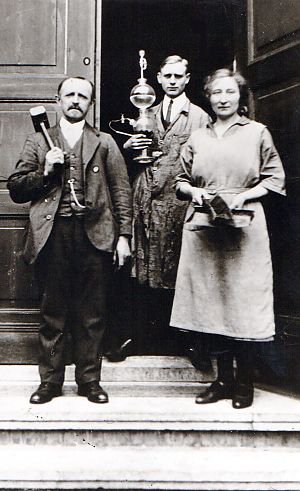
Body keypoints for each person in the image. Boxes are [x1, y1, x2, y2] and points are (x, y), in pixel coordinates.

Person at [7, 76, 132, 404]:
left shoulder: (104, 142)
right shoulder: (38, 142)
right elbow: (17, 189)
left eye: (83, 96)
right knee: (53, 311)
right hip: (53, 234)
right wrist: (47, 171)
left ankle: (89, 381)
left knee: (93, 312)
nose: (76, 100)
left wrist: (124, 237)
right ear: (58, 100)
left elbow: (121, 192)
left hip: (96, 234)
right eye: (70, 95)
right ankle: (50, 381)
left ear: (90, 103)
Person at [170, 68, 286, 409]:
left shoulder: (257, 133)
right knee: (211, 303)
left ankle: (244, 382)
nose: (223, 98)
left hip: (245, 227)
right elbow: (180, 180)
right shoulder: (197, 136)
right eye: (216, 93)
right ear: (208, 96)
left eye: (229, 93)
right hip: (204, 226)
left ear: (240, 96)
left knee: (243, 303)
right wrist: (194, 192)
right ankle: (222, 381)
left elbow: (275, 178)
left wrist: (244, 196)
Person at [106, 55, 210, 366]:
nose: (173, 81)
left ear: (188, 78)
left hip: (180, 203)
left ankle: (191, 343)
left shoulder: (200, 118)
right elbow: (128, 162)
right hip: (144, 200)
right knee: (142, 266)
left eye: (179, 76)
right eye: (167, 76)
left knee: (181, 267)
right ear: (159, 78)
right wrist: (128, 148)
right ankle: (136, 338)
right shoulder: (144, 112)